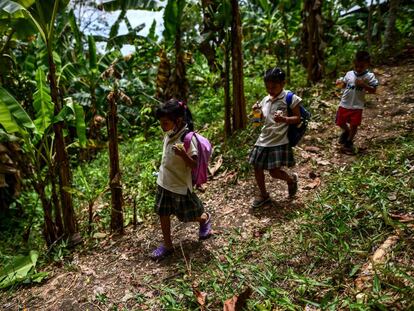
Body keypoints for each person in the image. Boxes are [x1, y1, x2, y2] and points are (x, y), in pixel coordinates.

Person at [152, 99, 212, 260]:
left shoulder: (187, 138)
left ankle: (204, 218)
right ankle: (168, 245)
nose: (162, 126)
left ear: (177, 120)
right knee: (163, 214)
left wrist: (183, 155)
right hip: (164, 182)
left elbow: (195, 165)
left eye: (165, 122)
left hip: (179, 185)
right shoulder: (170, 133)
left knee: (187, 215)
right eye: (161, 122)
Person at [248, 67, 301, 208]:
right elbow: (257, 123)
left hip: (279, 140)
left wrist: (284, 119)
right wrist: (256, 113)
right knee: (257, 167)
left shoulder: (290, 97)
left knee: (274, 172)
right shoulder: (265, 100)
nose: (270, 90)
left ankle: (291, 180)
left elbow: (298, 118)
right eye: (267, 87)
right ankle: (264, 195)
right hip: (263, 139)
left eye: (274, 86)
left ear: (283, 83)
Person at [335, 51, 379, 154]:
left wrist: (364, 85)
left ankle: (349, 142)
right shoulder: (349, 74)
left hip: (357, 106)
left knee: (354, 125)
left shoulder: (369, 76)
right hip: (344, 103)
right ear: (354, 63)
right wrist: (339, 83)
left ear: (367, 64)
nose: (358, 69)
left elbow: (373, 90)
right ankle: (346, 131)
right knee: (340, 122)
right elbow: (343, 85)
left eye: (362, 67)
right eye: (356, 66)